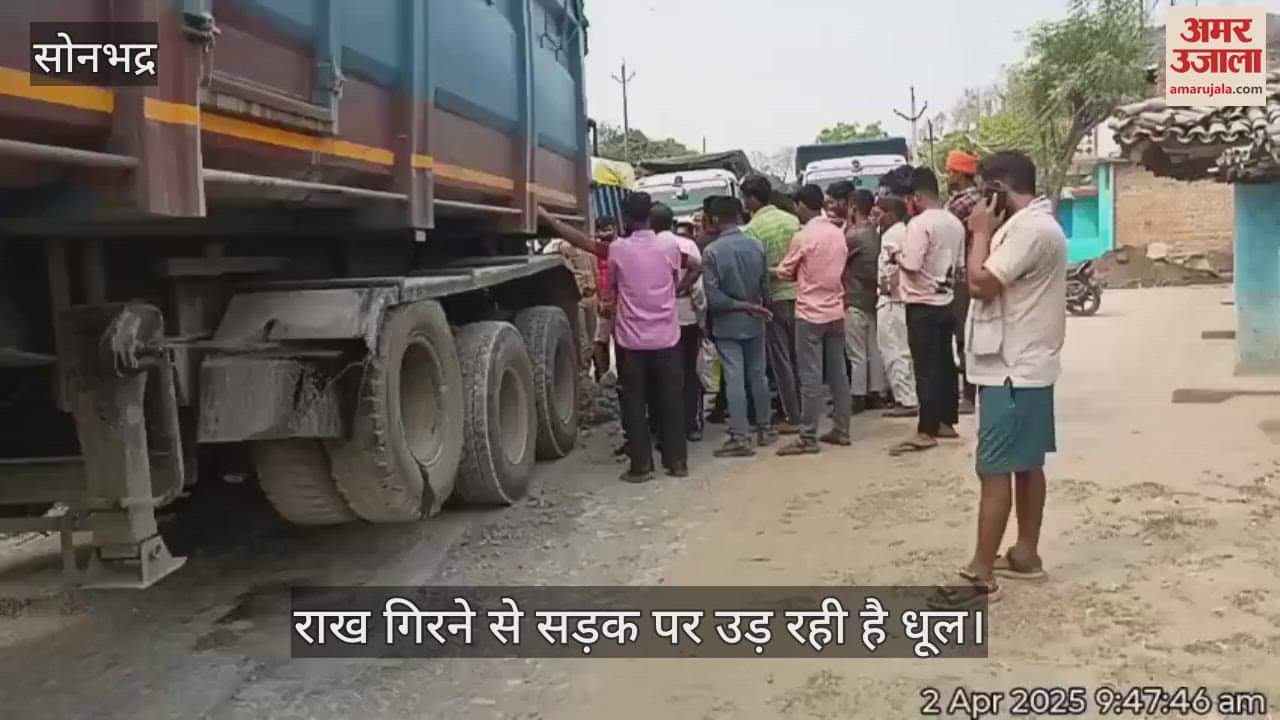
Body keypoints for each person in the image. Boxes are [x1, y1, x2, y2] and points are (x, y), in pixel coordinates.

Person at [931, 151, 1067, 610]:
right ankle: (1025, 553)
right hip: (1025, 367)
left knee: (994, 468)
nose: (976, 201)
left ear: (1000, 189)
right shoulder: (1037, 226)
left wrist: (980, 235)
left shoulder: (1027, 229)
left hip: (1012, 369)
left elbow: (982, 283)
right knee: (1027, 463)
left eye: (984, 190)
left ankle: (980, 574)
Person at [536, 197, 700, 482]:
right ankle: (677, 464)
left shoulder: (618, 250)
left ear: (624, 218)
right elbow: (697, 264)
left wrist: (549, 220)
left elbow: (587, 247)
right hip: (667, 339)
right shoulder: (671, 246)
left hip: (632, 343)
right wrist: (677, 290)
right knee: (671, 400)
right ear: (650, 215)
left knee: (634, 404)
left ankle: (641, 467)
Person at [889, 167, 966, 456]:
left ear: (918, 197)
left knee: (925, 367)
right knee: (945, 363)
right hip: (945, 300)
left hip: (921, 303)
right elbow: (959, 267)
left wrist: (897, 254)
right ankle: (946, 420)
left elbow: (911, 263)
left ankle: (926, 429)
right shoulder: (954, 223)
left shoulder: (920, 224)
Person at [775, 184, 853, 454]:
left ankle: (808, 436)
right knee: (838, 374)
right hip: (835, 309)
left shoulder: (804, 236)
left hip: (809, 312)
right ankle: (842, 429)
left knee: (810, 377)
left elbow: (785, 271)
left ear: (802, 206)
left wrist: (778, 270)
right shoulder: (837, 233)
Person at [702, 196, 775, 457]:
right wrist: (757, 307)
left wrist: (741, 306)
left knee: (734, 377)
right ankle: (764, 429)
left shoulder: (712, 252)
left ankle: (741, 437)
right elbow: (766, 287)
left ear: (715, 219)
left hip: (729, 322)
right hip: (757, 320)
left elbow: (714, 298)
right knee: (758, 375)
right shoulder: (756, 245)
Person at [741, 175, 802, 433]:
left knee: (781, 359)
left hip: (774, 298)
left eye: (745, 198)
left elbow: (755, 270)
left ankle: (793, 414)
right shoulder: (793, 221)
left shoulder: (751, 230)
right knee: (800, 356)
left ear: (753, 199)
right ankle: (807, 408)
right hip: (799, 294)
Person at [828, 183, 889, 415]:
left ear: (853, 208)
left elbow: (836, 260)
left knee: (856, 352)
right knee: (874, 349)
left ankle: (857, 395)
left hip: (853, 298)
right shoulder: (875, 233)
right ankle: (877, 391)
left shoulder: (852, 236)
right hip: (873, 296)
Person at [652, 203, 707, 442]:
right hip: (687, 317)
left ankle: (661, 426)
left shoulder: (642, 247)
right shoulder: (687, 245)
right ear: (672, 223)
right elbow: (699, 288)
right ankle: (691, 424)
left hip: (656, 322)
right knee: (689, 371)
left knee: (660, 375)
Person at [945, 150, 983, 416]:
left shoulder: (960, 204)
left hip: (962, 277)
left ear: (959, 174)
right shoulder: (981, 198)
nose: (948, 177)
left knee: (963, 337)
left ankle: (968, 396)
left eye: (950, 172)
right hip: (978, 271)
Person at [874, 195, 919, 417]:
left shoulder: (891, 235)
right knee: (905, 349)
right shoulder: (908, 231)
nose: (876, 217)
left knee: (893, 350)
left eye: (879, 213)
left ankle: (905, 399)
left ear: (890, 214)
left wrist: (888, 286)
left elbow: (892, 265)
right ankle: (911, 396)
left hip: (891, 300)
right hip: (905, 299)